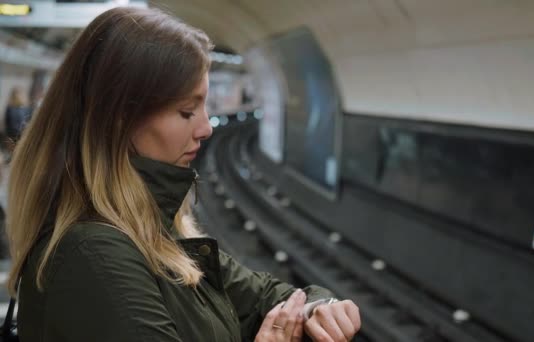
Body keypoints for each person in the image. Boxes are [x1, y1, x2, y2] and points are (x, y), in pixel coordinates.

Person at [6, 6, 360, 342]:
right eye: (187, 112)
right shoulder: (95, 255)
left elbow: (268, 294)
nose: (206, 128)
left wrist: (320, 308)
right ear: (118, 119)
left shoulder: (154, 228)